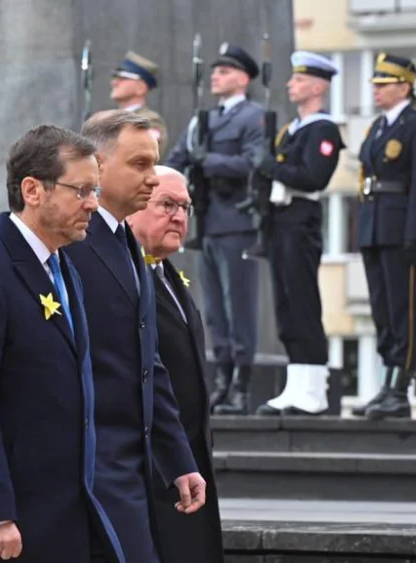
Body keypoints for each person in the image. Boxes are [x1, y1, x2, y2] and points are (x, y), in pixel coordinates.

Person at [0, 124, 125, 563]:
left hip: (62, 515)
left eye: (95, 190)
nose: (93, 204)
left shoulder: (63, 268)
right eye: (81, 191)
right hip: (5, 526)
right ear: (33, 189)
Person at [67, 110, 207, 563]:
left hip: (129, 468)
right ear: (99, 166)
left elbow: (150, 366)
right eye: (140, 165)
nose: (152, 179)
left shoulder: (130, 248)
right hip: (85, 470)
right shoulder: (72, 244)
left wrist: (179, 458)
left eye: (154, 163)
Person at [127, 165, 225, 563]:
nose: (179, 216)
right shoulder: (126, 277)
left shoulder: (167, 274)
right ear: (133, 209)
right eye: (167, 204)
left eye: (186, 207)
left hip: (190, 467)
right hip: (151, 474)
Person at [165, 42, 265, 415]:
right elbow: (177, 160)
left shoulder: (253, 117)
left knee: (239, 307)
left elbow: (255, 162)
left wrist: (212, 161)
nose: (215, 77)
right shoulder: (201, 121)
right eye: (214, 71)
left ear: (242, 78)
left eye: (223, 72)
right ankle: (221, 380)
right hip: (206, 223)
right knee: (215, 312)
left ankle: (241, 383)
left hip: (236, 222)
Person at [251, 52, 345, 416]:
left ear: (318, 86)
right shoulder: (291, 129)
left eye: (300, 80)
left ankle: (314, 388)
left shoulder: (323, 130)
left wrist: (272, 167)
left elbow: (313, 176)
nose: (292, 84)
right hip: (280, 219)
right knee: (286, 305)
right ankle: (296, 384)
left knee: (303, 303)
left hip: (301, 217)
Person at [351, 53, 416, 421]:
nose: (375, 90)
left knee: (403, 311)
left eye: (383, 84)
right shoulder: (377, 127)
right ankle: (386, 385)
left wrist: (415, 232)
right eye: (374, 84)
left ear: (404, 87)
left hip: (401, 227)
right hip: (375, 224)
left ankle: (400, 388)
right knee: (383, 311)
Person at [111, 51, 169, 156]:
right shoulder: (109, 118)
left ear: (141, 88)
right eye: (115, 78)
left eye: (123, 78)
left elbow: (142, 155)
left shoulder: (149, 121)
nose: (115, 83)